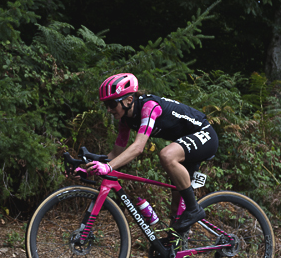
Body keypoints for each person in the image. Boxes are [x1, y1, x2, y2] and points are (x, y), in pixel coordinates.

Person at [85, 73, 219, 232]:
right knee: (176, 209)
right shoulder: (126, 120)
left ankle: (194, 209)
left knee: (167, 155)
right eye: (106, 104)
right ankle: (175, 252)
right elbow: (115, 154)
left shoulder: (149, 107)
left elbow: (138, 147)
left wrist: (108, 167)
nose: (108, 109)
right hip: (186, 143)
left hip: (205, 134)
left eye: (112, 103)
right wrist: (88, 168)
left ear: (129, 100)